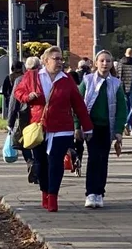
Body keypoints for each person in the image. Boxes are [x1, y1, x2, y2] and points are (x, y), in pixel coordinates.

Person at [14, 46, 93, 212]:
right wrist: (28, 97)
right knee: (41, 162)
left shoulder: (67, 79)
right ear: (45, 61)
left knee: (56, 162)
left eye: (60, 59)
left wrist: (87, 127)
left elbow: (79, 104)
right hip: (39, 127)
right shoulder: (33, 76)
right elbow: (18, 92)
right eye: (55, 59)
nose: (59, 62)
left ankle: (53, 197)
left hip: (62, 128)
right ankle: (45, 192)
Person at [78, 50, 128, 209]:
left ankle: (99, 192)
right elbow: (78, 105)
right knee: (93, 158)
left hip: (107, 127)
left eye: (108, 61)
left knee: (103, 159)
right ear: (95, 63)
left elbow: (122, 108)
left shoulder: (116, 83)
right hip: (90, 127)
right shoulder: (87, 81)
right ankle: (90, 193)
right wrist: (76, 126)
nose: (105, 64)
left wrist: (119, 130)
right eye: (101, 61)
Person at [116, 48, 132, 133]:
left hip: (123, 87)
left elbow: (118, 75)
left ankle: (127, 125)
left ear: (125, 53)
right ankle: (130, 125)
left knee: (126, 108)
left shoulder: (120, 63)